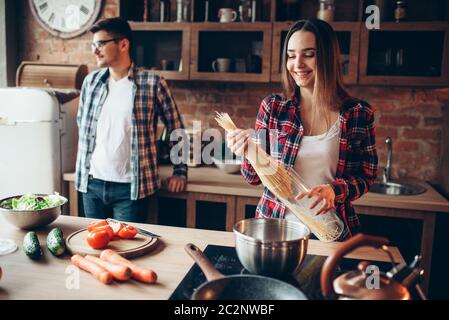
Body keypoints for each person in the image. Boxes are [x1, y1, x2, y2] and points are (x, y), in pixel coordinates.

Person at [226, 19, 378, 240]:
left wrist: (334, 191)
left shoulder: (357, 114)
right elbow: (252, 177)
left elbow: (367, 175)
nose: (297, 64)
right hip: (274, 231)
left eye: (308, 54)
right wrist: (247, 150)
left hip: (329, 233)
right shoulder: (273, 108)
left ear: (327, 57)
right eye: (290, 55)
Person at [75, 17, 187, 223]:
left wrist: (180, 171)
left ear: (123, 44)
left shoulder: (152, 83)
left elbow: (176, 128)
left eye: (100, 44)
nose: (94, 50)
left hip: (131, 189)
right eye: (93, 45)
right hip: (92, 185)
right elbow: (82, 125)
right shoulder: (91, 83)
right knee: (94, 249)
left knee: (127, 251)